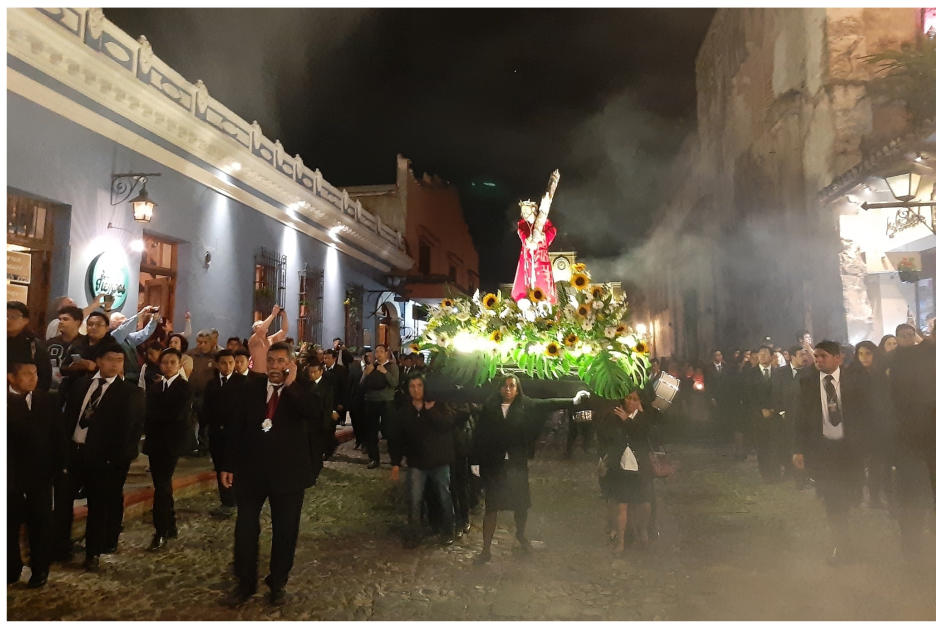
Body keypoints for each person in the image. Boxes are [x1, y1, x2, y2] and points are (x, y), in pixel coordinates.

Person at [220, 342, 326, 607]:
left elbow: (315, 415)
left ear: (292, 364)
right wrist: (228, 464)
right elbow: (236, 427)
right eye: (272, 361)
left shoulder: (305, 390)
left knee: (285, 531)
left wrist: (291, 386)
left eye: (281, 361)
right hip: (251, 472)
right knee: (245, 529)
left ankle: (277, 582)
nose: (276, 366)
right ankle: (244, 583)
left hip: (288, 475)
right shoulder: (252, 388)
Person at [471, 374, 589, 563]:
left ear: (517, 389)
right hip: (495, 466)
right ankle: (486, 549)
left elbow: (548, 403)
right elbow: (480, 434)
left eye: (512, 386)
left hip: (516, 464)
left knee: (521, 504)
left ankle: (520, 535)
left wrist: (572, 401)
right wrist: (475, 461)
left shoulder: (525, 405)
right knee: (492, 507)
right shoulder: (490, 407)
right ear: (500, 388)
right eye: (505, 386)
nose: (508, 390)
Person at [57, 344, 145, 570]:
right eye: (110, 359)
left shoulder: (130, 392)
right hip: (75, 452)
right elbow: (69, 418)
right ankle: (60, 547)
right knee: (64, 502)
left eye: (119, 360)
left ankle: (92, 553)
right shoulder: (81, 385)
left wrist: (116, 459)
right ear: (99, 361)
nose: (115, 364)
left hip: (103, 458)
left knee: (98, 506)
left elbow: (131, 430)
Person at [792, 340, 870, 565]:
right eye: (816, 356)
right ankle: (841, 545)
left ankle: (848, 535)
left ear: (838, 358)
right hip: (823, 450)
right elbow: (801, 417)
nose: (818, 360)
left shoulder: (855, 380)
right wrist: (798, 449)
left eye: (823, 356)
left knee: (850, 495)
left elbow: (867, 412)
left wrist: (866, 443)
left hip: (849, 449)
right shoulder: (808, 382)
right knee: (832, 499)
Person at [8, 361, 65, 588]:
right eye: (26, 374)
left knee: (40, 522)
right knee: (9, 524)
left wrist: (60, 467)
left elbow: (58, 436)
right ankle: (11, 569)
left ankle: (40, 570)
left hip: (40, 475)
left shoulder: (47, 400)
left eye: (35, 373)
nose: (33, 378)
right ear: (11, 377)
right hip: (10, 476)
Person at [388, 374, 457, 547]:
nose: (416, 390)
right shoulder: (404, 410)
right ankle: (414, 534)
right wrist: (395, 462)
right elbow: (397, 437)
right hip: (417, 462)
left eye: (419, 385)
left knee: (444, 497)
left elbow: (447, 425)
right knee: (414, 499)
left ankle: (448, 530)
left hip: (439, 461)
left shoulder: (437, 404)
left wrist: (430, 410)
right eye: (412, 386)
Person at [889, 332, 935, 558]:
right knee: (912, 498)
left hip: (926, 441)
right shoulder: (905, 359)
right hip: (911, 442)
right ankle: (912, 548)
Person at [597, 390, 659, 553]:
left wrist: (628, 421)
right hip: (620, 466)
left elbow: (643, 435)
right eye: (628, 398)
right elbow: (606, 438)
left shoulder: (643, 417)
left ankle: (642, 530)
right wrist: (602, 459)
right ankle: (621, 541)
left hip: (640, 466)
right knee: (621, 504)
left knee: (644, 503)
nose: (631, 402)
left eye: (635, 399)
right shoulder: (614, 415)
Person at [143, 348, 192, 550]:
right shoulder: (155, 387)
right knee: (162, 485)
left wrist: (156, 415)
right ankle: (170, 525)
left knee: (162, 487)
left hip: (171, 443)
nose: (168, 366)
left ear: (179, 365)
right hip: (155, 443)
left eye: (173, 362)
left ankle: (161, 530)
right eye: (165, 362)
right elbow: (148, 412)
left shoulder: (183, 387)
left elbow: (176, 414)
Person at [774, 346, 809, 488]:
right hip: (786, 416)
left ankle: (802, 478)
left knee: (801, 447)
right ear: (792, 357)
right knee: (787, 445)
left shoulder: (809, 373)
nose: (804, 357)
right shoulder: (780, 373)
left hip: (804, 417)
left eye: (805, 354)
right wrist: (781, 411)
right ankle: (790, 471)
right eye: (801, 354)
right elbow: (775, 393)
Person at [748, 345, 785, 481]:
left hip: (774, 415)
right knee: (762, 445)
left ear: (771, 356)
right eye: (760, 354)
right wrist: (760, 409)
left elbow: (781, 393)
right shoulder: (751, 374)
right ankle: (766, 474)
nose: (762, 356)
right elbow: (748, 395)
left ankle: (776, 473)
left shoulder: (778, 373)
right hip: (758, 416)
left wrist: (774, 409)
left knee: (775, 444)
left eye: (765, 354)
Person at [360, 344, 399, 469]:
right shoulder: (371, 366)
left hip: (387, 401)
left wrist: (385, 372)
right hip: (371, 401)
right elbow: (361, 384)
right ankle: (373, 458)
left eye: (381, 351)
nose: (379, 353)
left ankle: (395, 459)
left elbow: (395, 383)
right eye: (376, 351)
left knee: (390, 431)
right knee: (371, 431)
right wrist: (366, 373)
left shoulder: (392, 366)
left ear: (386, 353)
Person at [7, 301, 52, 392]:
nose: (8, 320)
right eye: (5, 316)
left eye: (13, 316)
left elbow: (45, 379)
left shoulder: (35, 347)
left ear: (25, 320)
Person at [46, 305, 84, 396]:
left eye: (65, 319)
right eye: (60, 319)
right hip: (50, 391)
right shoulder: (50, 343)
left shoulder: (85, 344)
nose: (61, 322)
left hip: (74, 392)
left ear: (77, 322)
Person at [248, 305, 289, 374]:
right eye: (258, 325)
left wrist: (284, 316)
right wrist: (273, 315)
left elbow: (284, 330)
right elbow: (261, 331)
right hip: (256, 374)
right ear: (254, 330)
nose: (262, 325)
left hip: (269, 374)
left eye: (263, 324)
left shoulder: (271, 340)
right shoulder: (253, 340)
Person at [323, 349, 348, 426]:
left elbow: (344, 388)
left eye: (328, 358)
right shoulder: (321, 369)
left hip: (336, 402)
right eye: (324, 358)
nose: (325, 360)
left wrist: (342, 403)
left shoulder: (341, 370)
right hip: (325, 403)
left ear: (334, 359)